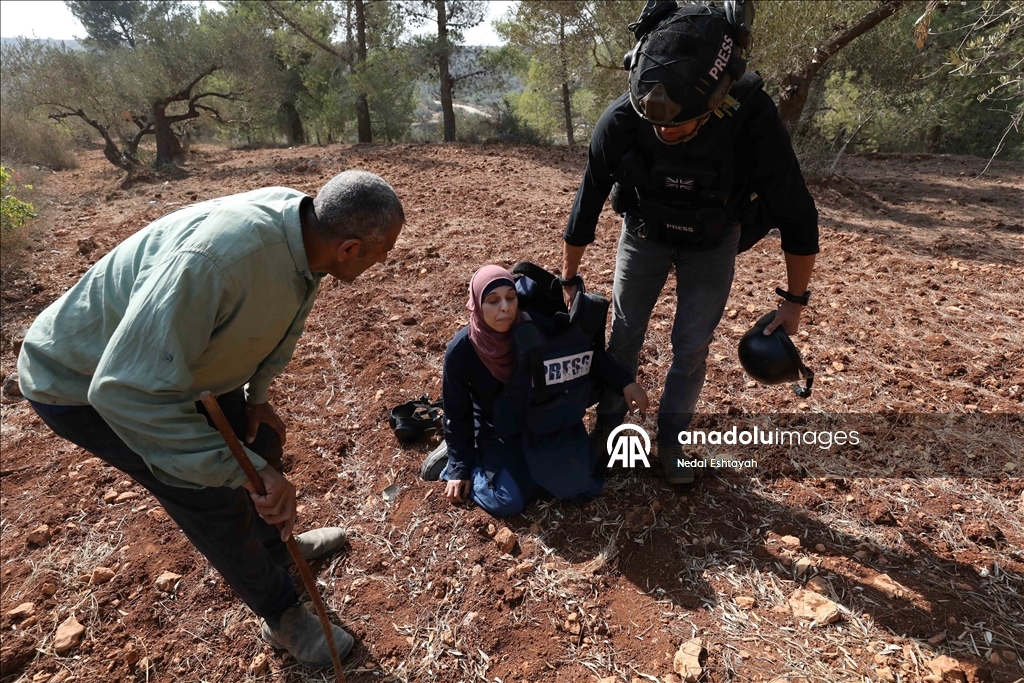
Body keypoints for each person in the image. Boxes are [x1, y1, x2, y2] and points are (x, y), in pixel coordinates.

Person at [16, 170, 405, 668]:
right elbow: (123, 390)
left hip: (176, 365)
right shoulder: (216, 262)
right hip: (85, 383)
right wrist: (238, 469)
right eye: (383, 250)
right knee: (211, 492)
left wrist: (258, 398)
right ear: (349, 249)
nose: (386, 260)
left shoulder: (307, 234)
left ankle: (277, 547)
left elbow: (286, 316)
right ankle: (281, 613)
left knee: (258, 442)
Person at [559, 1, 819, 484]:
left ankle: (672, 444)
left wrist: (795, 301)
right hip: (642, 232)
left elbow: (797, 213)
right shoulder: (623, 116)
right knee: (624, 333)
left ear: (717, 99)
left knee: (692, 345)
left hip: (714, 241)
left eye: (677, 124)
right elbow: (588, 198)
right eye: (656, 123)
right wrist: (569, 276)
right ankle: (610, 430)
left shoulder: (751, 117)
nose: (664, 131)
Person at [426, 265, 649, 517]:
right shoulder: (463, 349)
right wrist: (459, 469)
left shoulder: (536, 328)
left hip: (543, 423)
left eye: (511, 298)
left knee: (588, 486)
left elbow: (584, 354)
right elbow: (456, 413)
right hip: (497, 431)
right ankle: (460, 460)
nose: (505, 308)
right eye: (492, 301)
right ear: (476, 305)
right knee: (507, 501)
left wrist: (625, 382)